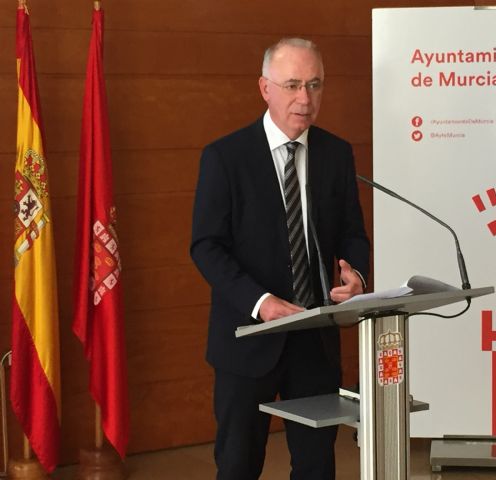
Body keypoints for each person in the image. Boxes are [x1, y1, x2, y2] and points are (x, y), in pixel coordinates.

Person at [190, 38, 370, 480]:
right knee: (238, 465)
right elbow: (206, 246)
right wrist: (261, 302)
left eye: (314, 84)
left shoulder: (335, 153)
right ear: (265, 88)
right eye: (292, 85)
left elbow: (351, 233)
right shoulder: (225, 157)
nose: (305, 98)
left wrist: (356, 277)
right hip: (248, 337)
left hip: (314, 338)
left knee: (316, 466)